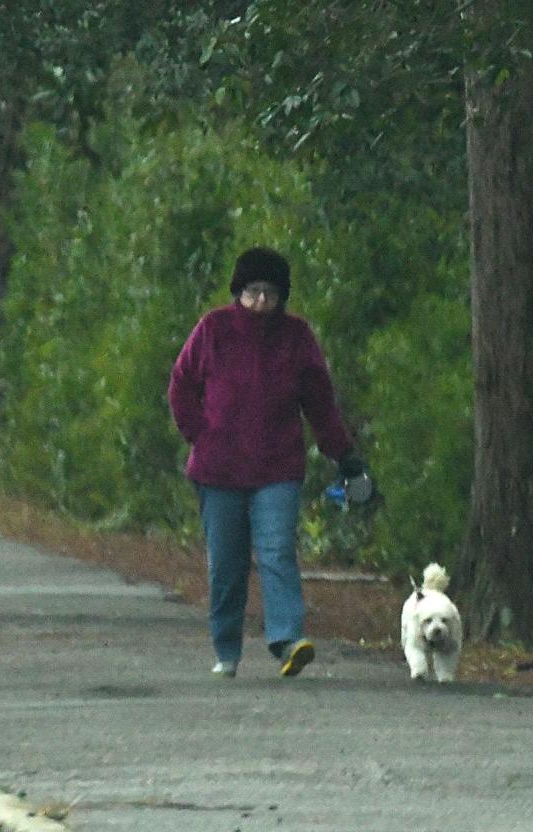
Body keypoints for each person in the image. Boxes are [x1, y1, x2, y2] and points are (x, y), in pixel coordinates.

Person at [167, 246, 370, 679]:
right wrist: (199, 433)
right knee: (227, 564)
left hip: (277, 467)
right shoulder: (213, 329)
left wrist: (344, 454)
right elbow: (180, 386)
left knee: (277, 550)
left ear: (282, 298)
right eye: (253, 292)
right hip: (218, 469)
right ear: (238, 292)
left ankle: (287, 639)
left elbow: (319, 403)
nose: (261, 302)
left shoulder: (296, 337)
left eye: (270, 294)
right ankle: (226, 649)